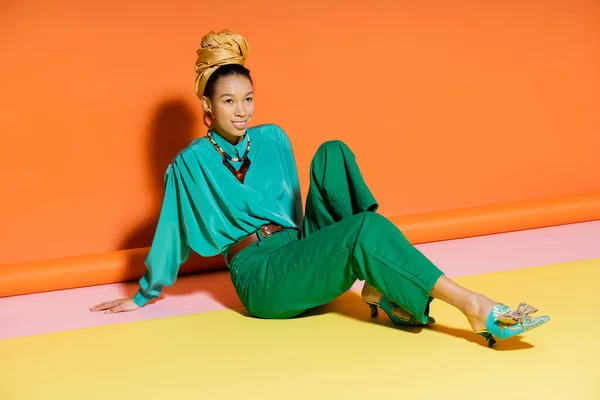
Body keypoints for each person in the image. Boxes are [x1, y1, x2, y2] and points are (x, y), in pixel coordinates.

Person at [90, 29, 549, 347]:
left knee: (333, 151)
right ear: (207, 108)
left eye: (248, 99)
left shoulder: (273, 138)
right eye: (228, 102)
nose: (241, 111)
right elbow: (171, 232)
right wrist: (142, 295)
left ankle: (377, 280)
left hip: (297, 247)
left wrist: (311, 236)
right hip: (260, 275)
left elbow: (293, 207)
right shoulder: (191, 163)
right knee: (364, 230)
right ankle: (472, 304)